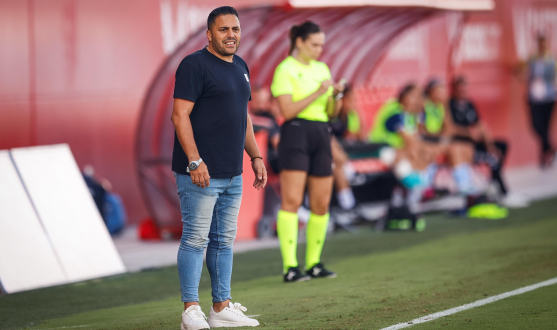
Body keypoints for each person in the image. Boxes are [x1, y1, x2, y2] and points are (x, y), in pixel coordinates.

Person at [171, 6, 266, 329]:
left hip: (232, 173)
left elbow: (244, 117)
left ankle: (221, 307)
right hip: (199, 173)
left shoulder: (240, 65)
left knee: (224, 241)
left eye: (235, 29)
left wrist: (255, 157)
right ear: (209, 34)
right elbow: (179, 115)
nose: (231, 35)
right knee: (195, 240)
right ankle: (190, 311)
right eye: (223, 30)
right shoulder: (194, 65)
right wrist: (195, 161)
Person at [271, 21, 344, 282]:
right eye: (314, 44)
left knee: (321, 203)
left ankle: (314, 263)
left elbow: (331, 114)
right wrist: (319, 91)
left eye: (322, 45)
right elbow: (287, 111)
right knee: (291, 200)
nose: (319, 50)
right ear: (299, 42)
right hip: (295, 133)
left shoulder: (322, 68)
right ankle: (290, 266)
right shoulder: (285, 69)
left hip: (321, 133)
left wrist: (337, 97)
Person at [449, 76, 527, 207]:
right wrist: (468, 132)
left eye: (465, 88)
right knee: (493, 159)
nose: (463, 91)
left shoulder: (469, 104)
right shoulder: (449, 105)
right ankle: (504, 193)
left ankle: (493, 180)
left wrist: (489, 145)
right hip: (464, 148)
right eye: (460, 89)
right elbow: (450, 128)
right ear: (454, 89)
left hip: (475, 143)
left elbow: (480, 125)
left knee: (501, 146)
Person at [518, 33, 556, 167]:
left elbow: (553, 78)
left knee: (545, 127)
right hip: (534, 97)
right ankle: (550, 148)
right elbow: (523, 72)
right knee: (536, 125)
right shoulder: (532, 58)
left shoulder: (551, 60)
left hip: (548, 97)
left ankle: (544, 157)